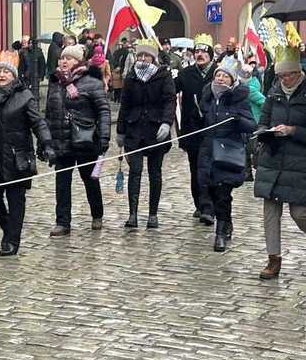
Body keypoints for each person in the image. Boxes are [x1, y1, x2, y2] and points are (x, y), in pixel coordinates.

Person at [0, 52, 52, 256]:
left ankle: (12, 240)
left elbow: (37, 122)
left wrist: (47, 143)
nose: (2, 74)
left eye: (7, 71)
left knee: (16, 201)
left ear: (14, 75)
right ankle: (8, 229)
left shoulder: (24, 96)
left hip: (16, 158)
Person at [46, 44, 110, 236]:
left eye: (69, 58)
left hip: (85, 140)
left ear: (78, 62)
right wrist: (46, 141)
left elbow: (103, 111)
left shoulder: (91, 82)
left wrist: (104, 136)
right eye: (62, 58)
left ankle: (97, 214)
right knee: (62, 183)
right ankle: (62, 222)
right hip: (61, 140)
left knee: (89, 180)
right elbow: (50, 113)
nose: (64, 61)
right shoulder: (55, 83)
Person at [254, 46, 306, 279]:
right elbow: (262, 121)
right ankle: (273, 259)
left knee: (299, 213)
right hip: (272, 160)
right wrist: (265, 132)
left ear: (297, 72)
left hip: (299, 163)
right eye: (280, 76)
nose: (284, 80)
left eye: (287, 75)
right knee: (270, 213)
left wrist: (293, 130)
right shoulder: (274, 92)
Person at [197, 57, 256, 252]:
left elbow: (251, 125)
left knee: (222, 192)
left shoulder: (238, 99)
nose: (221, 78)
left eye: (225, 76)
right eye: (218, 75)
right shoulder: (207, 96)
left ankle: (220, 232)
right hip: (207, 152)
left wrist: (236, 119)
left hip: (227, 152)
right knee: (211, 191)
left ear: (232, 80)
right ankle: (227, 221)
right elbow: (200, 122)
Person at [116, 39, 176, 229]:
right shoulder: (131, 77)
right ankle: (132, 214)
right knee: (135, 171)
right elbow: (124, 105)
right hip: (134, 130)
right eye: (140, 55)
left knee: (154, 173)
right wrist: (120, 131)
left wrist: (167, 123)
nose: (143, 59)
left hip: (155, 130)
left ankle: (152, 214)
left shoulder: (163, 76)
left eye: (147, 56)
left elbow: (169, 101)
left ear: (153, 58)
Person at [176, 34, 218, 224]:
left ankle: (210, 204)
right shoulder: (186, 73)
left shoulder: (219, 73)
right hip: (192, 129)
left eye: (203, 51)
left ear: (210, 54)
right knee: (196, 169)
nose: (200, 54)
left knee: (211, 168)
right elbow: (170, 91)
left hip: (213, 130)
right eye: (197, 51)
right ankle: (200, 204)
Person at [239, 64, 265, 182]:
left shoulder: (250, 89)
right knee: (246, 148)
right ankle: (247, 173)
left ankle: (255, 171)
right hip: (248, 121)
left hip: (253, 121)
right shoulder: (248, 87)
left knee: (252, 149)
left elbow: (264, 102)